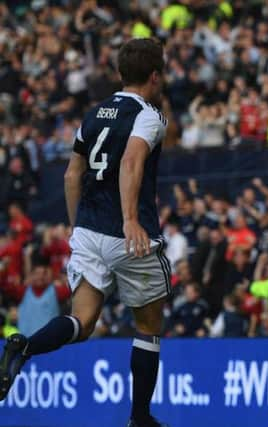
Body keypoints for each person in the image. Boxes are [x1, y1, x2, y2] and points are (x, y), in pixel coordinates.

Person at [0, 38, 171, 427]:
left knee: (82, 320)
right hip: (129, 235)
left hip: (88, 231)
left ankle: (24, 346)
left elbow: (71, 174)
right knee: (148, 325)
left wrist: (78, 226)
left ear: (119, 73)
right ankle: (140, 417)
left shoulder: (94, 114)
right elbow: (131, 161)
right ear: (155, 76)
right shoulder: (151, 116)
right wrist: (129, 218)